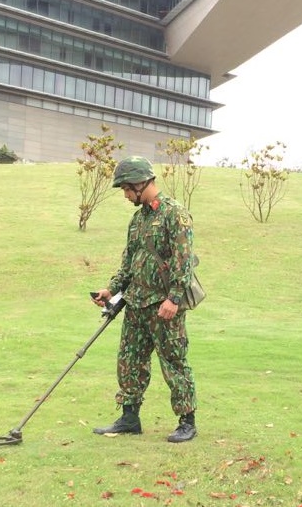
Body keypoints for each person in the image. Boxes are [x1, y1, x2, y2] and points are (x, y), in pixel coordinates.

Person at [91, 155, 198, 443]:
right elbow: (129, 262)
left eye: (127, 189)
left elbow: (183, 261)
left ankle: (187, 421)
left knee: (173, 361)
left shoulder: (175, 214)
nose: (126, 196)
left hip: (163, 307)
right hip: (136, 303)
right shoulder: (137, 220)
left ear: (140, 183)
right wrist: (111, 290)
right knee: (129, 361)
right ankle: (129, 417)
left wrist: (174, 299)